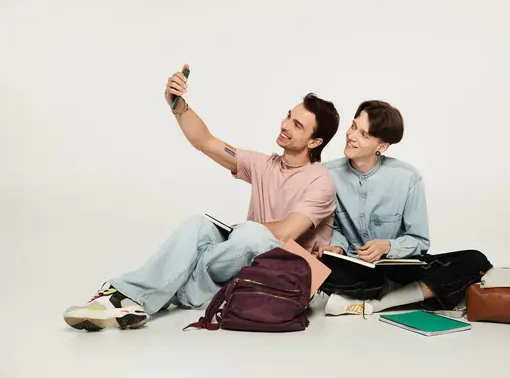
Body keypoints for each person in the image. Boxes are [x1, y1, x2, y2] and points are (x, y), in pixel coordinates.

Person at [63, 64, 340, 331]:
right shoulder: (262, 164)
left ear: (315, 142)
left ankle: (172, 287)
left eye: (297, 125)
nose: (285, 124)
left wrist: (235, 235)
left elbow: (284, 233)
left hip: (292, 276)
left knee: (251, 235)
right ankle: (127, 296)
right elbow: (205, 142)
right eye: (288, 116)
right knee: (200, 226)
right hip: (250, 263)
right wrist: (177, 105)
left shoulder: (321, 181)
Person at [318, 100, 492, 315]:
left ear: (381, 146)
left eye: (364, 134)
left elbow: (419, 241)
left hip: (394, 267)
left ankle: (375, 304)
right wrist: (337, 247)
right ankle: (406, 293)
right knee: (313, 265)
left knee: (475, 261)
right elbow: (331, 227)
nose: (351, 136)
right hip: (350, 268)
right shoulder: (326, 173)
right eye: (353, 126)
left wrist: (387, 247)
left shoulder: (408, 178)